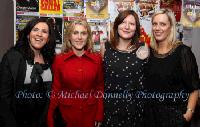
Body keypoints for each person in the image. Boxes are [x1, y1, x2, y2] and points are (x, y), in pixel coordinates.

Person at [143, 8, 200, 127]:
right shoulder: (149, 53)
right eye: (155, 24)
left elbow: (194, 88)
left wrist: (188, 115)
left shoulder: (183, 52)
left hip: (174, 118)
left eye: (163, 24)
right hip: (150, 117)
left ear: (171, 27)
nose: (157, 28)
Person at [0, 17, 56, 127]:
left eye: (44, 32)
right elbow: (3, 100)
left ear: (48, 38)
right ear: (27, 34)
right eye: (35, 30)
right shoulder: (12, 58)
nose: (39, 34)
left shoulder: (50, 59)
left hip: (42, 122)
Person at [47, 19, 104, 127]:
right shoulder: (59, 60)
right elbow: (55, 91)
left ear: (88, 37)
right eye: (75, 33)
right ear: (69, 36)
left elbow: (99, 88)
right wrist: (50, 119)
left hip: (90, 115)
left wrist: (99, 114)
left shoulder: (97, 59)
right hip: (66, 116)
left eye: (83, 33)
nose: (79, 37)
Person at [101, 10, 149, 127]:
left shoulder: (143, 48)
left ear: (136, 28)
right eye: (123, 22)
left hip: (136, 109)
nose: (127, 27)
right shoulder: (105, 47)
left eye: (132, 24)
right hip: (110, 108)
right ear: (117, 25)